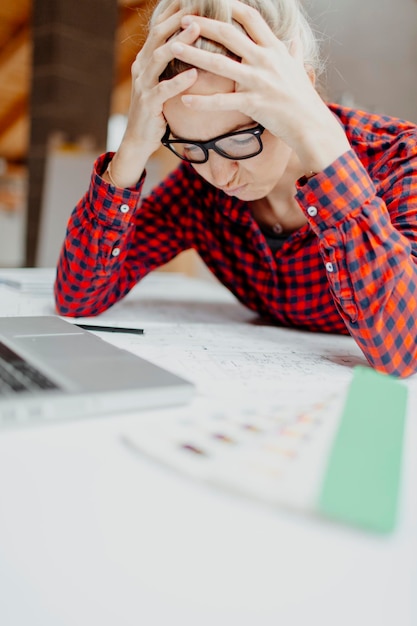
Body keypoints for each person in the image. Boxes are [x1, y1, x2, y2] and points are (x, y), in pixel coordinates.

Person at [54, 0, 417, 378]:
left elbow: (403, 350)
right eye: (191, 146)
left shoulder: (400, 161)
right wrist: (132, 149)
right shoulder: (198, 191)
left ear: (300, 92)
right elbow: (77, 297)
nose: (219, 174)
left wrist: (319, 142)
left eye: (239, 141)